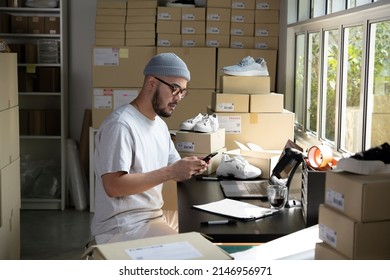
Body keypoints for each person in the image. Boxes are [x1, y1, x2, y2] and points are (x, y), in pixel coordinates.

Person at [91, 53, 209, 244]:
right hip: (123, 227)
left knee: (206, 230)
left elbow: (174, 166)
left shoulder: (159, 126)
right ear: (152, 83)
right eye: (174, 89)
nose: (178, 98)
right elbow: (113, 186)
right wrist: (171, 171)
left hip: (152, 216)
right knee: (196, 250)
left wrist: (194, 165)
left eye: (183, 92)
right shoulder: (121, 125)